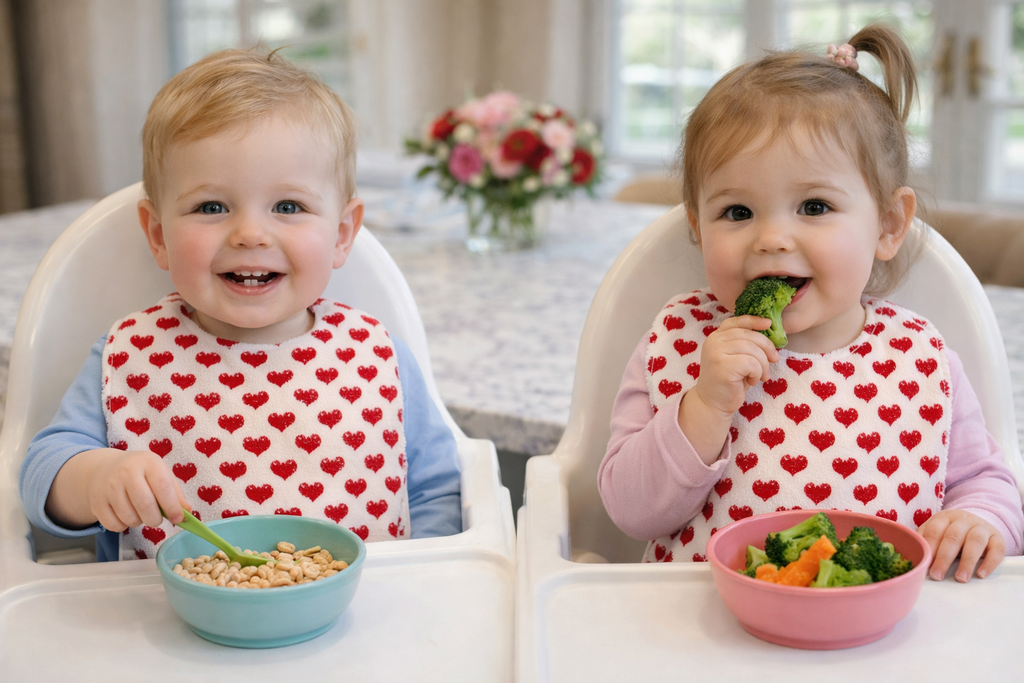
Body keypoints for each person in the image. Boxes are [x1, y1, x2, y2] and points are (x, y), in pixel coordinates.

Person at [599, 25, 1023, 582]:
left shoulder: (919, 355)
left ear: (889, 225)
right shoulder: (679, 340)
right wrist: (703, 406)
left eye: (815, 206)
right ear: (698, 227)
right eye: (738, 212)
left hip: (878, 641)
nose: (771, 237)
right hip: (707, 636)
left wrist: (979, 519)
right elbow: (630, 512)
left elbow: (986, 481)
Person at [20, 48, 462, 562]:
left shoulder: (376, 355)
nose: (250, 233)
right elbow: (39, 474)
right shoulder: (130, 355)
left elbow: (437, 492)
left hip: (360, 626)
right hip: (161, 627)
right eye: (212, 206)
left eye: (288, 206)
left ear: (342, 234)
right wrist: (94, 477)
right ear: (158, 234)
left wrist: (426, 581)